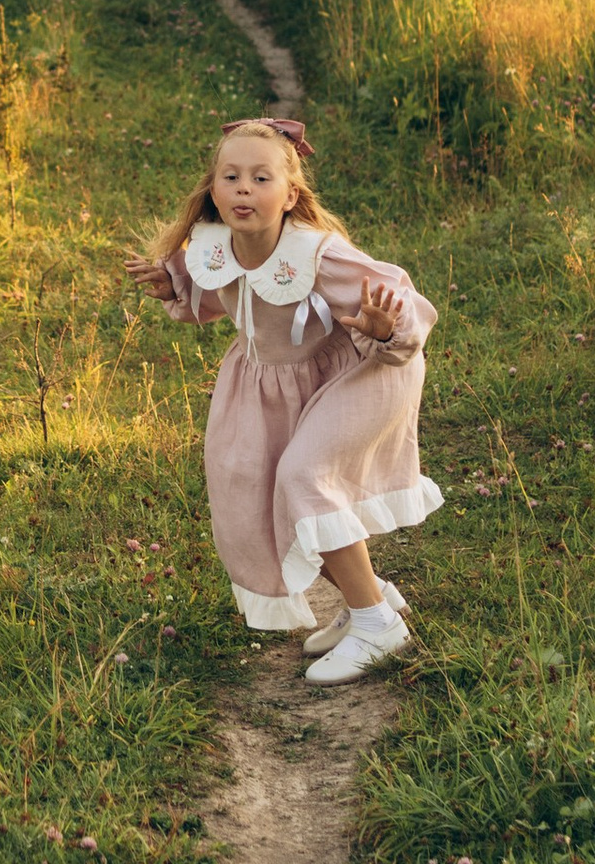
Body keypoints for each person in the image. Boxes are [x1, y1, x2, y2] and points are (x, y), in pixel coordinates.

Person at [127, 112, 440, 676]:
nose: (244, 187)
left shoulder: (318, 253)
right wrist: (172, 284)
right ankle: (365, 595)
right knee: (256, 494)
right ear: (214, 191)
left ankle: (377, 625)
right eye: (231, 177)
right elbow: (221, 297)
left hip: (359, 371)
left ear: (291, 193)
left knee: (303, 477)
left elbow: (403, 304)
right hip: (271, 381)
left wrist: (379, 326)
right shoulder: (215, 248)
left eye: (261, 178)